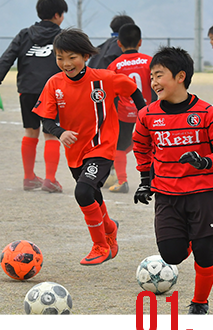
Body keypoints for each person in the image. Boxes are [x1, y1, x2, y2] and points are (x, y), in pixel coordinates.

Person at [133, 46, 213, 315]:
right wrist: (145, 180)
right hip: (167, 193)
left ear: (180, 76)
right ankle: (189, 237)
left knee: (205, 251)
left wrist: (204, 162)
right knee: (171, 255)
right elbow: (141, 147)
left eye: (159, 75)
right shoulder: (148, 115)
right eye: (151, 76)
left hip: (203, 192)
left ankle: (200, 302)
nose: (153, 82)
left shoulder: (206, 113)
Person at [33, 28, 146, 265]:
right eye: (60, 57)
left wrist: (144, 115)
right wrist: (60, 132)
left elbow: (133, 90)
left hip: (102, 148)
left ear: (85, 56)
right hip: (76, 152)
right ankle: (110, 228)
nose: (65, 63)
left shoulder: (104, 79)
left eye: (71, 57)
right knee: (93, 195)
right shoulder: (54, 84)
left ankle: (100, 246)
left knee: (83, 193)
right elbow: (46, 118)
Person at [0, 0, 68, 192]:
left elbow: (7, 58)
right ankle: (50, 179)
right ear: (57, 15)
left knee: (30, 131)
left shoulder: (25, 34)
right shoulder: (62, 36)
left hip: (27, 90)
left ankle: (29, 177)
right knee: (51, 134)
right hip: (53, 91)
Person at [107, 23, 155, 193]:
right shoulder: (150, 62)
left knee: (119, 147)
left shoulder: (114, 65)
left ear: (118, 43)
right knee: (153, 144)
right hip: (147, 111)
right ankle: (156, 179)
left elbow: (110, 92)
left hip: (124, 113)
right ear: (140, 42)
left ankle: (122, 181)